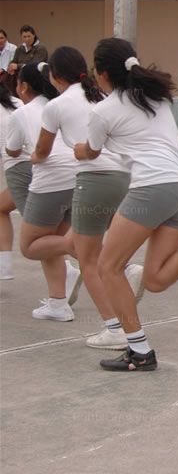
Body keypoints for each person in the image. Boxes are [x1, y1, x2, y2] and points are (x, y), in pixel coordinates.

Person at [75, 37, 178, 372]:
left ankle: (139, 351)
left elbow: (91, 152)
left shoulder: (103, 111)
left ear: (102, 73)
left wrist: (78, 149)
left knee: (108, 267)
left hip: (152, 188)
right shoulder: (155, 97)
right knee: (154, 279)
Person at [35, 46, 142, 349]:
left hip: (94, 179)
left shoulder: (56, 105)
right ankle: (128, 273)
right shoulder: (100, 96)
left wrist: (32, 157)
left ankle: (115, 327)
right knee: (99, 251)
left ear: (55, 76)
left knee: (88, 259)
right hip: (123, 176)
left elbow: (42, 149)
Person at [5, 62, 81, 321]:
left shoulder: (23, 113)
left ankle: (116, 263)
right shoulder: (60, 104)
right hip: (78, 177)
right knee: (51, 244)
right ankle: (58, 304)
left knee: (31, 246)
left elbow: (13, 150)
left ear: (24, 86)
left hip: (51, 182)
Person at [0, 82, 22, 279]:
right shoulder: (17, 103)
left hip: (23, 171)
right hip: (38, 168)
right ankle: (4, 266)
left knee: (39, 239)